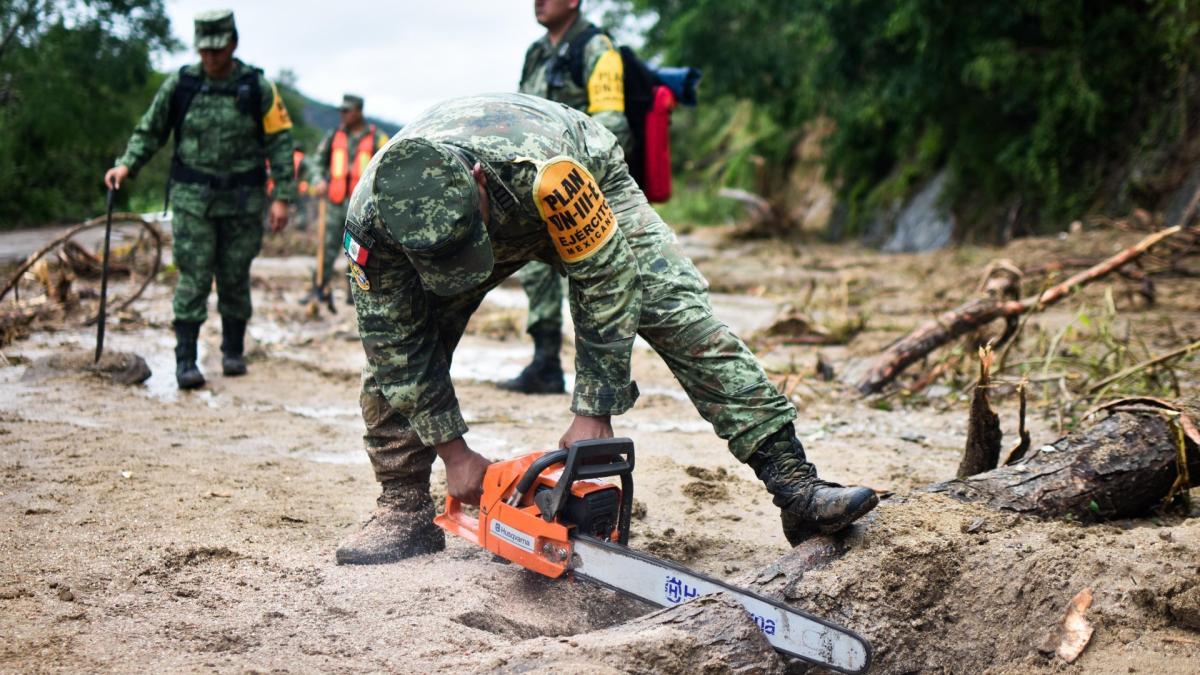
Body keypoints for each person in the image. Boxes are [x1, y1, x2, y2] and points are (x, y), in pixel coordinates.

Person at [334, 93, 878, 565]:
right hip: (445, 229)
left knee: (678, 313)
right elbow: (394, 346)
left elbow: (608, 279)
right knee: (392, 366)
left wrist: (593, 409)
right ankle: (403, 508)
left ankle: (796, 486)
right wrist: (454, 454)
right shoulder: (370, 224)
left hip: (578, 167)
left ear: (477, 180)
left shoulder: (549, 174)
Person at [104, 10, 296, 389]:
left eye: (218, 49)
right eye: (204, 50)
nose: (210, 57)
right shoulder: (182, 84)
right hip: (193, 199)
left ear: (233, 44)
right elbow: (150, 130)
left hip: (243, 201)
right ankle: (186, 360)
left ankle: (232, 350)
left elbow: (281, 143)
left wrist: (283, 197)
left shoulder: (258, 87)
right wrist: (126, 166)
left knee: (234, 276)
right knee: (193, 276)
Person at [500, 0, 632, 395]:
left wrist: (574, 170)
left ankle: (606, 381)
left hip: (579, 185)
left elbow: (613, 122)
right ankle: (545, 363)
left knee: (596, 279)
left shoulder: (596, 48)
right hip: (536, 186)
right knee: (536, 272)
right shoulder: (537, 53)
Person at [306, 95, 389, 307]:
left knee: (359, 250)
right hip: (334, 202)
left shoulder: (378, 138)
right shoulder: (333, 135)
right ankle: (319, 288)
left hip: (361, 207)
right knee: (327, 246)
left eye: (346, 111)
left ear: (358, 112)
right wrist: (318, 180)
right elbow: (317, 162)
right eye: (341, 111)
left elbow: (388, 166)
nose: (342, 115)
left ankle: (356, 294)